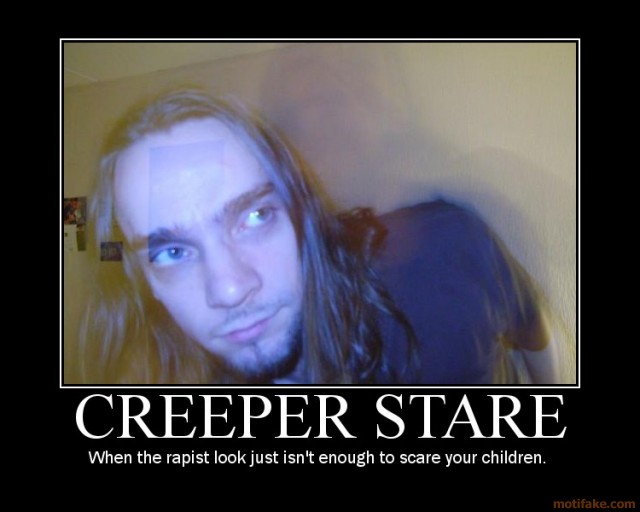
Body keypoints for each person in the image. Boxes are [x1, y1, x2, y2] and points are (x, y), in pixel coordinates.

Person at [77, 89, 562, 385]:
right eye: (172, 252)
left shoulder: (444, 250)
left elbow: (536, 333)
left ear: (302, 215)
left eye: (255, 216)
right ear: (145, 283)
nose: (229, 288)